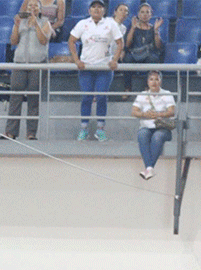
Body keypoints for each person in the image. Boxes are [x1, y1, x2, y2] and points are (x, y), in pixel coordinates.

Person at [69, 0, 123, 142]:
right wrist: (76, 60)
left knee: (101, 97)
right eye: (94, 7)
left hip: (104, 67)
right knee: (86, 97)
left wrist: (114, 60)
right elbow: (71, 41)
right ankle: (84, 129)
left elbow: (120, 42)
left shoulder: (110, 24)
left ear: (104, 11)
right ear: (89, 10)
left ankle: (100, 129)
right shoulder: (83, 24)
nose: (97, 9)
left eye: (100, 7)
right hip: (86, 67)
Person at [0, 0, 52, 140]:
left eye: (36, 5)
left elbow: (43, 40)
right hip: (20, 63)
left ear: (40, 9)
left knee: (33, 98)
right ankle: (10, 132)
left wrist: (35, 23)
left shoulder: (45, 22)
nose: (32, 7)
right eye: (30, 5)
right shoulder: (20, 22)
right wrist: (16, 26)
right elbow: (13, 41)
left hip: (38, 64)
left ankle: (31, 133)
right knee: (15, 97)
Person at [132, 70, 176, 180]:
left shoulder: (167, 94)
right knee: (142, 135)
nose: (154, 82)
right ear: (147, 82)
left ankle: (148, 167)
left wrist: (159, 114)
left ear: (161, 81)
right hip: (146, 127)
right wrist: (145, 114)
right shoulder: (142, 95)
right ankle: (150, 168)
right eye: (151, 79)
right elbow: (134, 112)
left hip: (163, 128)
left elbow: (172, 112)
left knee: (157, 137)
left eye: (157, 79)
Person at [122, 3, 164, 98]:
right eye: (142, 12)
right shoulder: (132, 26)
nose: (144, 14)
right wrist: (133, 28)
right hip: (134, 53)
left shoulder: (153, 28)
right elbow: (127, 44)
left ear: (151, 15)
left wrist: (156, 31)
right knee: (127, 59)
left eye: (147, 12)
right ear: (138, 14)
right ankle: (127, 88)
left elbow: (158, 47)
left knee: (153, 59)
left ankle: (147, 88)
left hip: (148, 54)